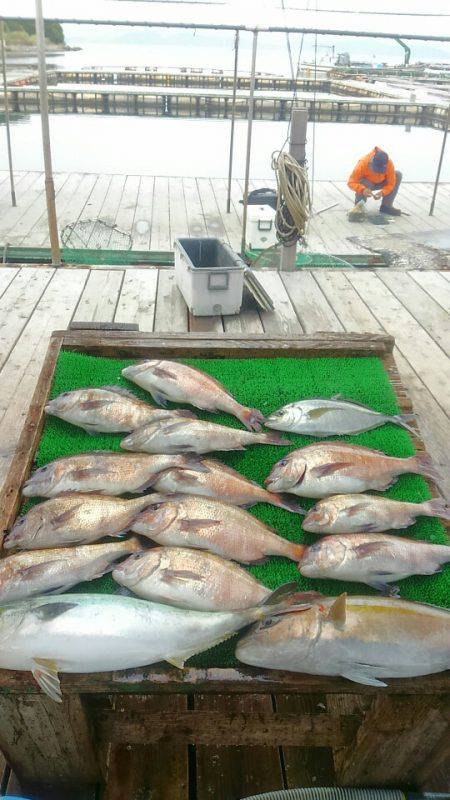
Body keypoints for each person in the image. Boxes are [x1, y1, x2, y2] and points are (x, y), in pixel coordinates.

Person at [347, 147, 402, 216]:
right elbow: (351, 182)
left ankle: (386, 206)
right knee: (365, 182)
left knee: (397, 175)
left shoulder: (389, 163)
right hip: (367, 184)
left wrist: (382, 193)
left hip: (381, 182)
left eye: (381, 170)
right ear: (371, 162)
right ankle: (359, 208)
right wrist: (362, 189)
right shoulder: (363, 163)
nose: (378, 172)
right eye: (376, 169)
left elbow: (391, 183)